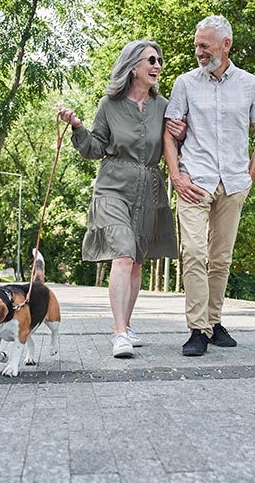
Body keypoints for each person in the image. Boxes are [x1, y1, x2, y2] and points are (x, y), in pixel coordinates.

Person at [58, 40, 179, 358]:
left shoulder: (164, 106)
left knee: (137, 262)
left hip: (149, 190)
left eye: (160, 61)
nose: (157, 65)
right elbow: (94, 149)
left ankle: (126, 323)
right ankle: (119, 333)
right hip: (112, 188)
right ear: (133, 66)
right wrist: (78, 127)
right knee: (123, 254)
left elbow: (173, 143)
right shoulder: (109, 105)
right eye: (151, 59)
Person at [164, 15, 255, 357]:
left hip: (234, 183)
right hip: (194, 180)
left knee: (221, 258)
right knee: (193, 252)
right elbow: (170, 132)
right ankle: (198, 328)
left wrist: (248, 179)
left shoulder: (251, 85)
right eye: (196, 45)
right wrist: (176, 176)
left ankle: (214, 321)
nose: (198, 51)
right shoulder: (184, 83)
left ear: (225, 45)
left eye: (204, 46)